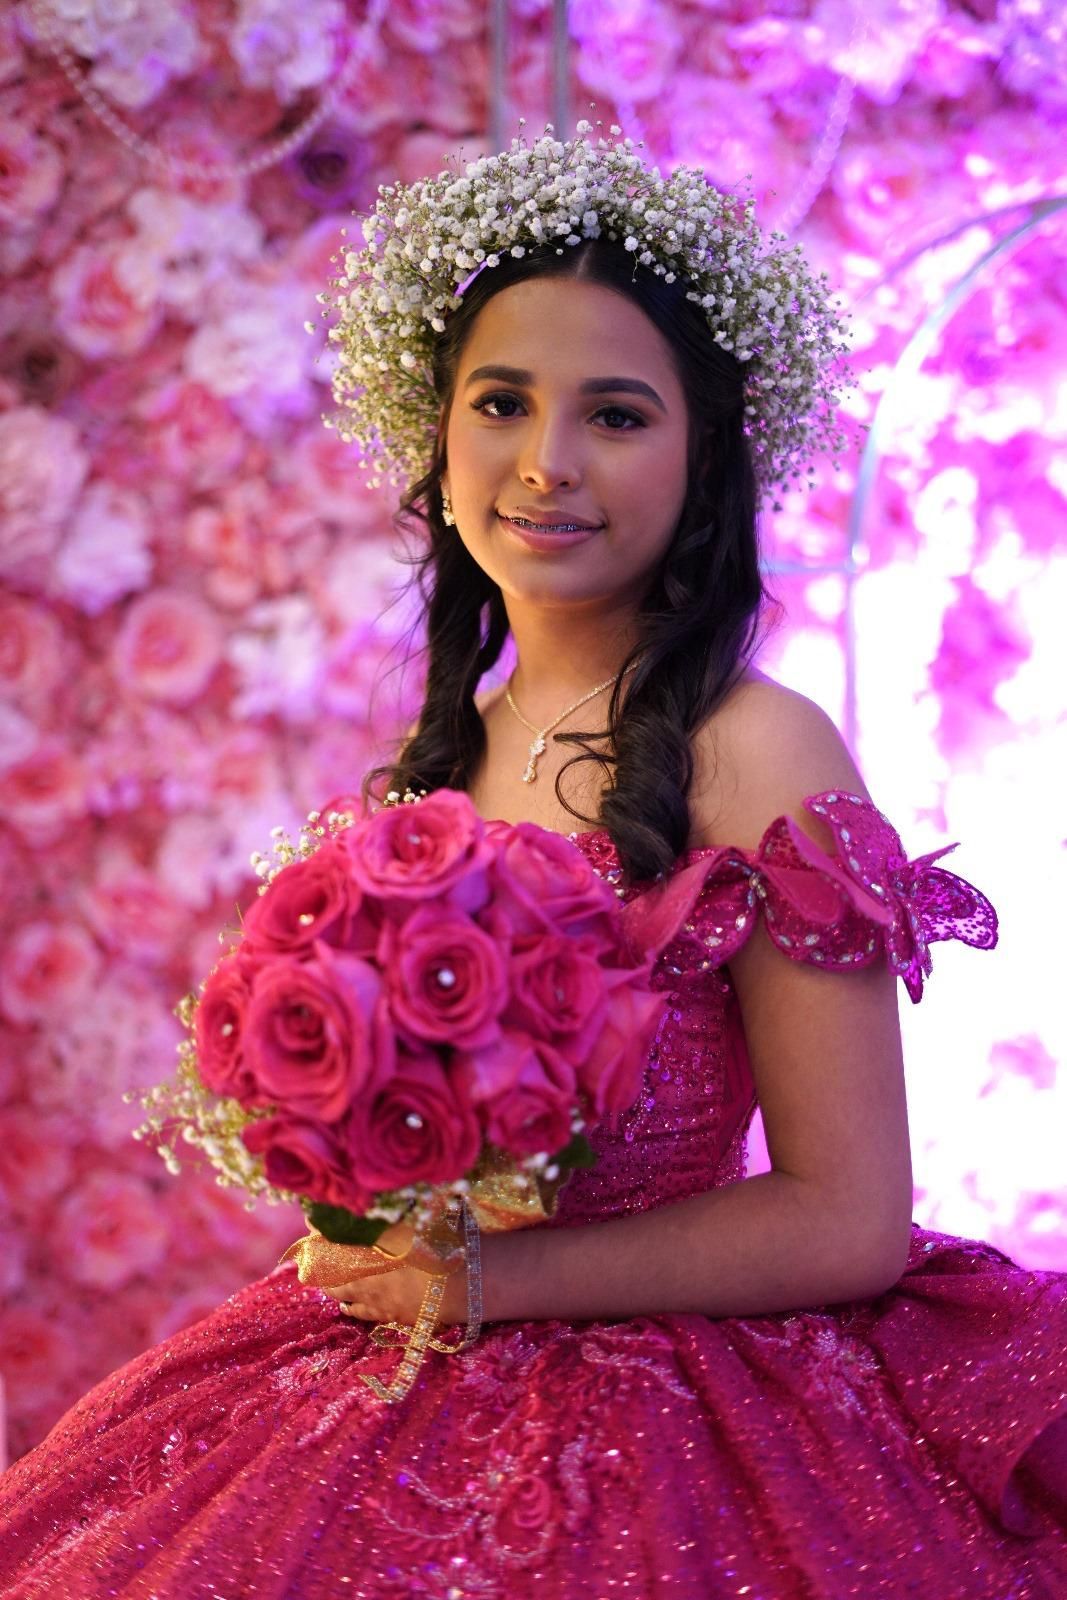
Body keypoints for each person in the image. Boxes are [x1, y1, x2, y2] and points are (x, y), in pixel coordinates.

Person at [1, 124, 1064, 1600]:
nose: (548, 463)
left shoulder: (755, 746)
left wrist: (490, 1282)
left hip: (689, 1420)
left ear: (705, 459)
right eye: (502, 401)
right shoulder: (436, 771)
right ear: (435, 437)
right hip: (399, 1366)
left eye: (618, 416)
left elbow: (848, 1214)